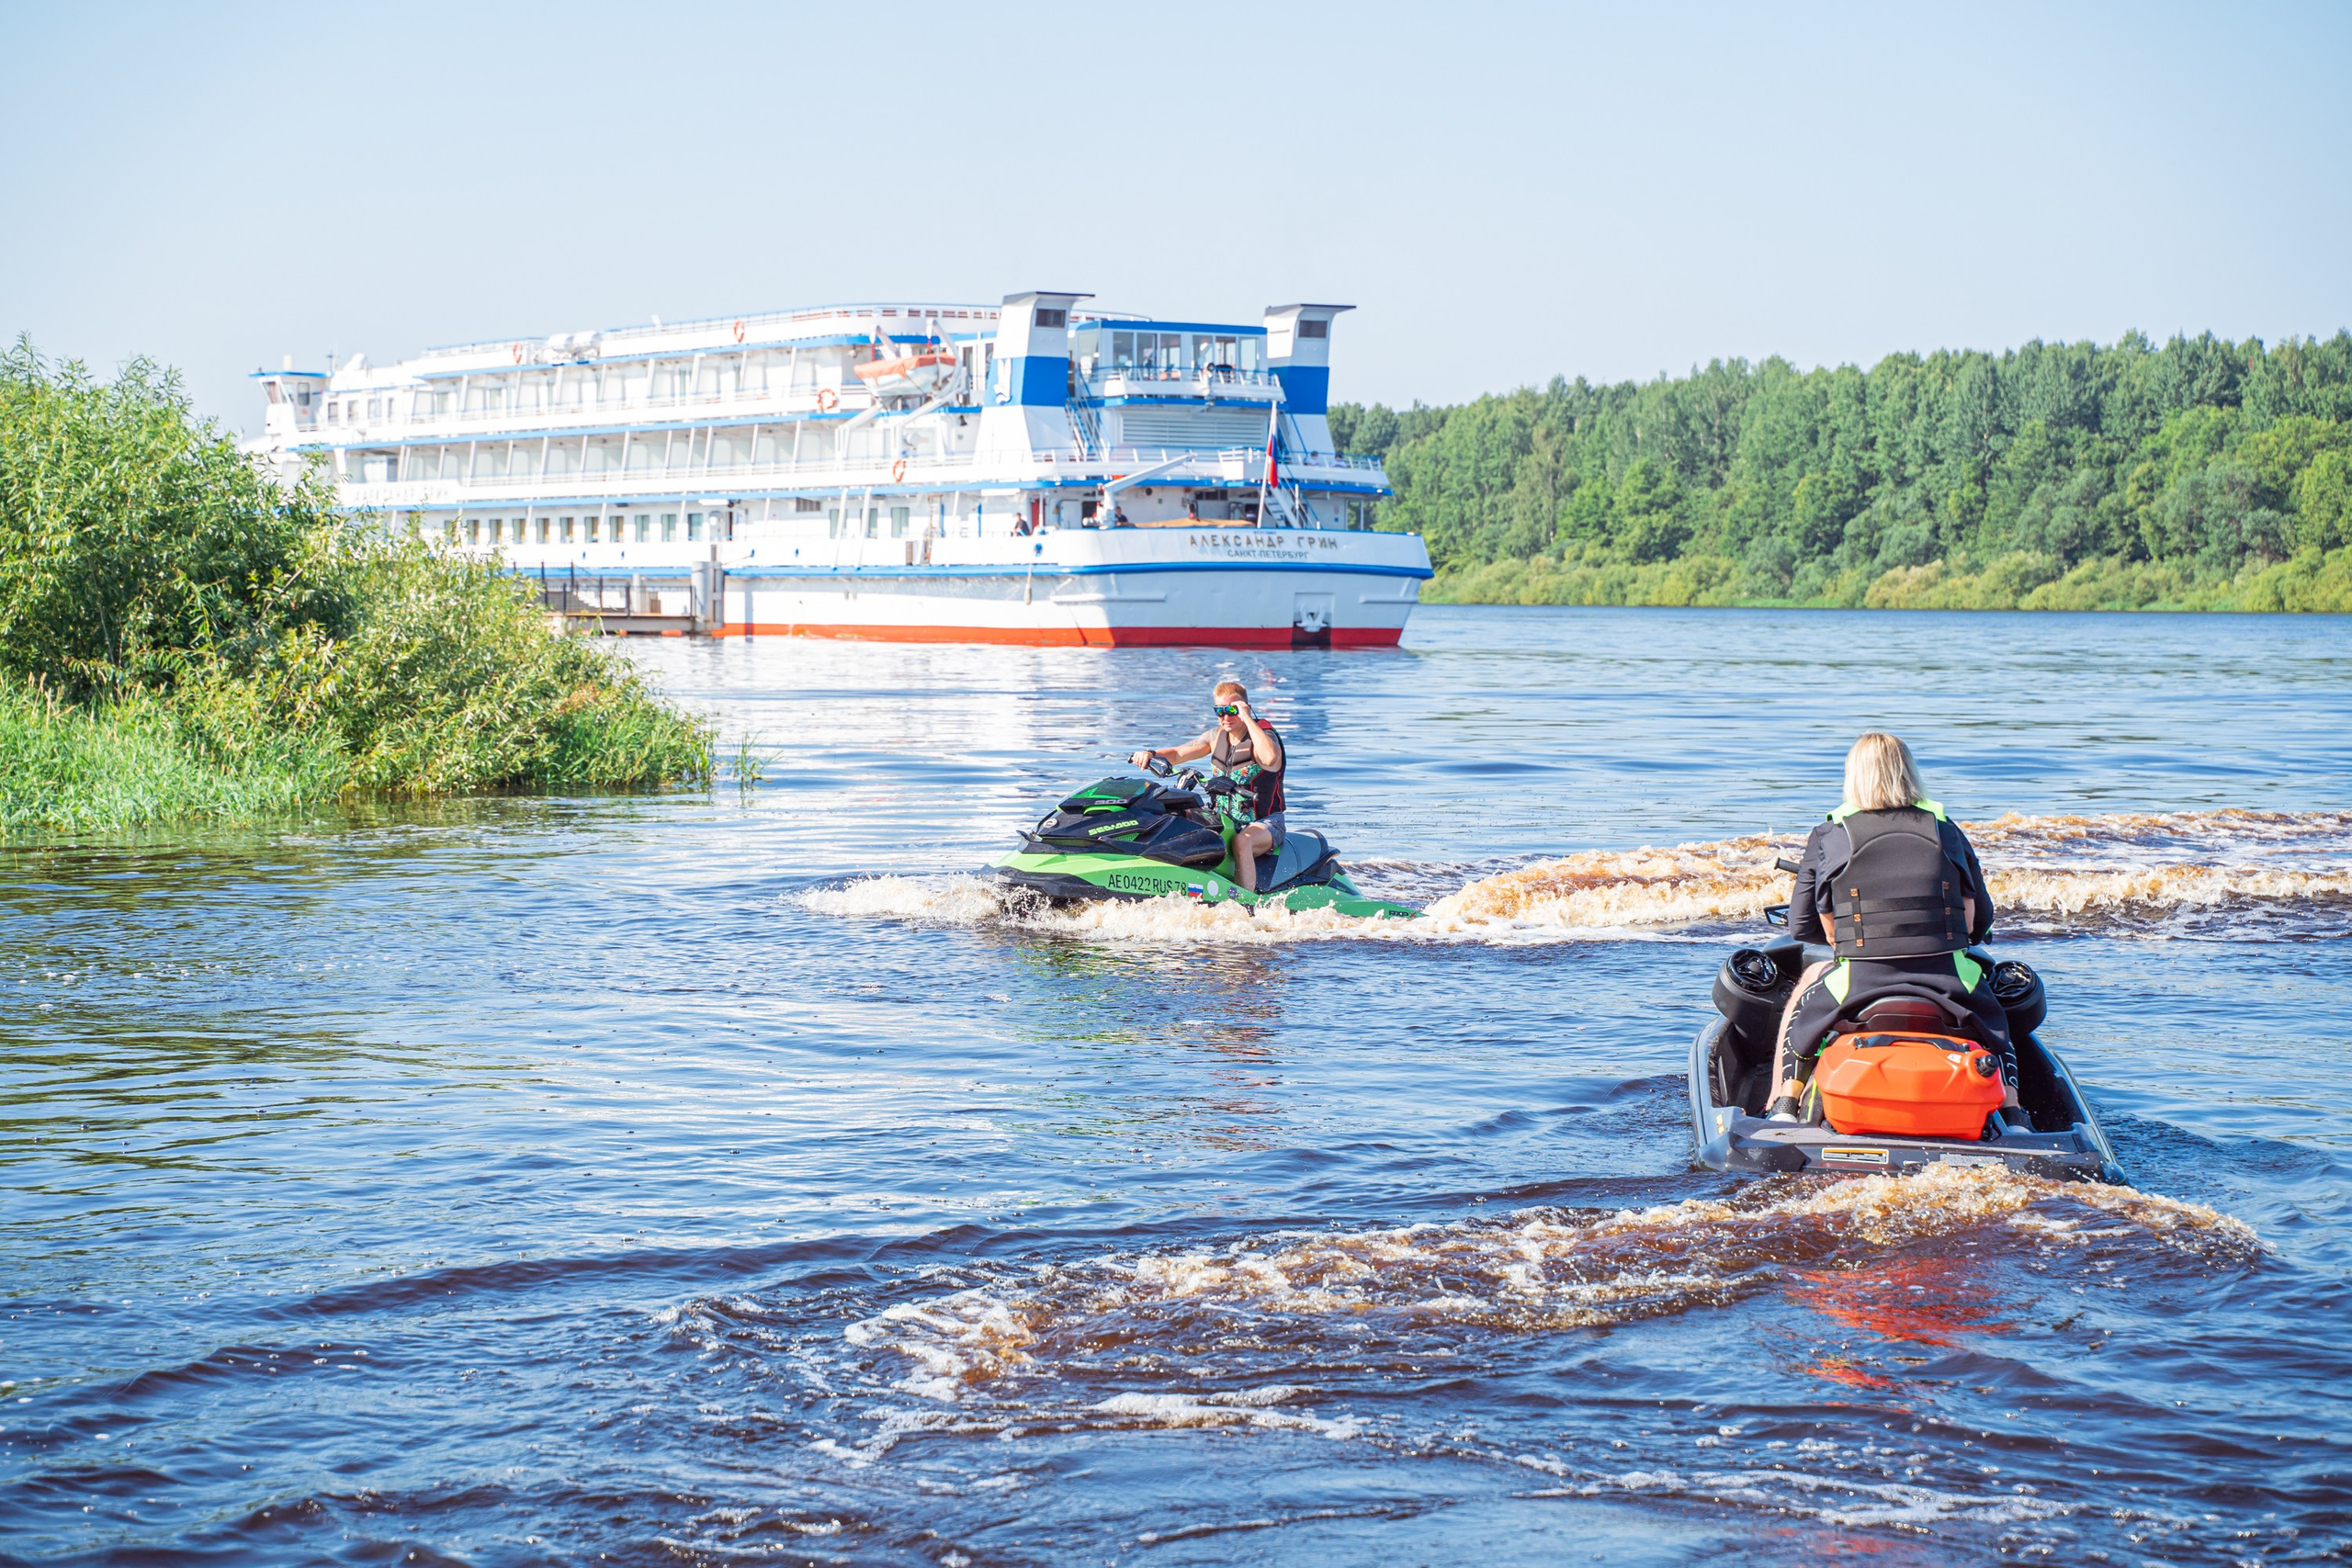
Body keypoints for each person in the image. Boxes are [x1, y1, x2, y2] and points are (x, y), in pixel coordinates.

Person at [1769, 731, 2018, 1122]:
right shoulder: (1946, 829)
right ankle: (2015, 1115)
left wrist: (1846, 938)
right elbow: (1977, 922)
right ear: (1908, 774)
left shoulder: (1830, 834)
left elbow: (1802, 925)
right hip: (1950, 983)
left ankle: (1784, 1105)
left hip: (1858, 983)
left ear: (1853, 777)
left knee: (1806, 1007)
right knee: (1998, 1026)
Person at [1128, 680, 1286, 892]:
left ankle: (1245, 904)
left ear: (1245, 708)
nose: (1225, 717)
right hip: (1224, 819)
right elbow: (1178, 753)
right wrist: (1150, 754)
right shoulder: (1215, 737)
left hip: (1265, 823)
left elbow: (1269, 759)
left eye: (1232, 710)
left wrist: (1247, 718)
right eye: (1219, 711)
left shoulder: (1264, 738)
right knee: (1173, 823)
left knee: (1242, 842)